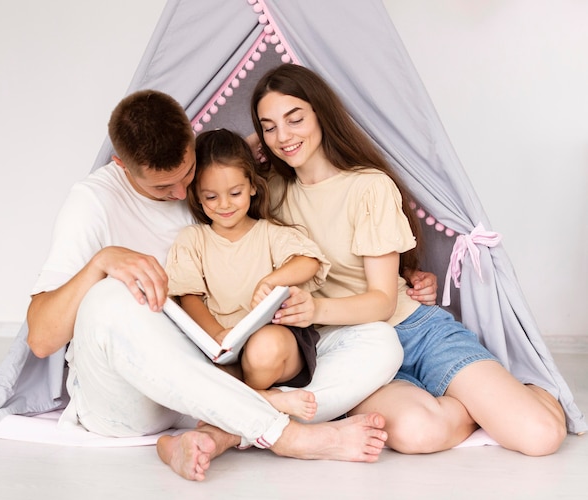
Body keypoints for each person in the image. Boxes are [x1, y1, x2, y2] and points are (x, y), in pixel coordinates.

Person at [23, 89, 415, 482]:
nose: (181, 195)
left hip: (212, 383)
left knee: (379, 342)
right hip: (132, 401)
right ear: (122, 166)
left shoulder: (217, 176)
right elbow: (41, 339)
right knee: (112, 295)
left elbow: (296, 227)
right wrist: (101, 262)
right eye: (163, 188)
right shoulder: (92, 202)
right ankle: (285, 432)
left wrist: (410, 271)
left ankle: (226, 427)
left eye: (188, 177)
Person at [249, 63, 567, 457]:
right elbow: (220, 175)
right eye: (269, 126)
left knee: (541, 437)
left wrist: (314, 308)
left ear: (321, 114)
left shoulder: (369, 185)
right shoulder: (271, 195)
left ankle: (528, 392)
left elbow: (383, 301)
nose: (283, 136)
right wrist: (250, 147)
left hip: (413, 327)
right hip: (352, 348)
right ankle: (479, 403)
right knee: (418, 434)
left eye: (295, 119)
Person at [166, 128, 332, 421]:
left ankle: (242, 400)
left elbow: (309, 262)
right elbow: (189, 298)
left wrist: (271, 280)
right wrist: (217, 335)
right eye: (211, 197)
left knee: (263, 349)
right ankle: (265, 400)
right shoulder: (193, 240)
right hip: (220, 344)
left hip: (275, 343)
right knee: (199, 372)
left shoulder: (269, 233)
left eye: (235, 193)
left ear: (253, 186)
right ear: (197, 196)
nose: (225, 205)